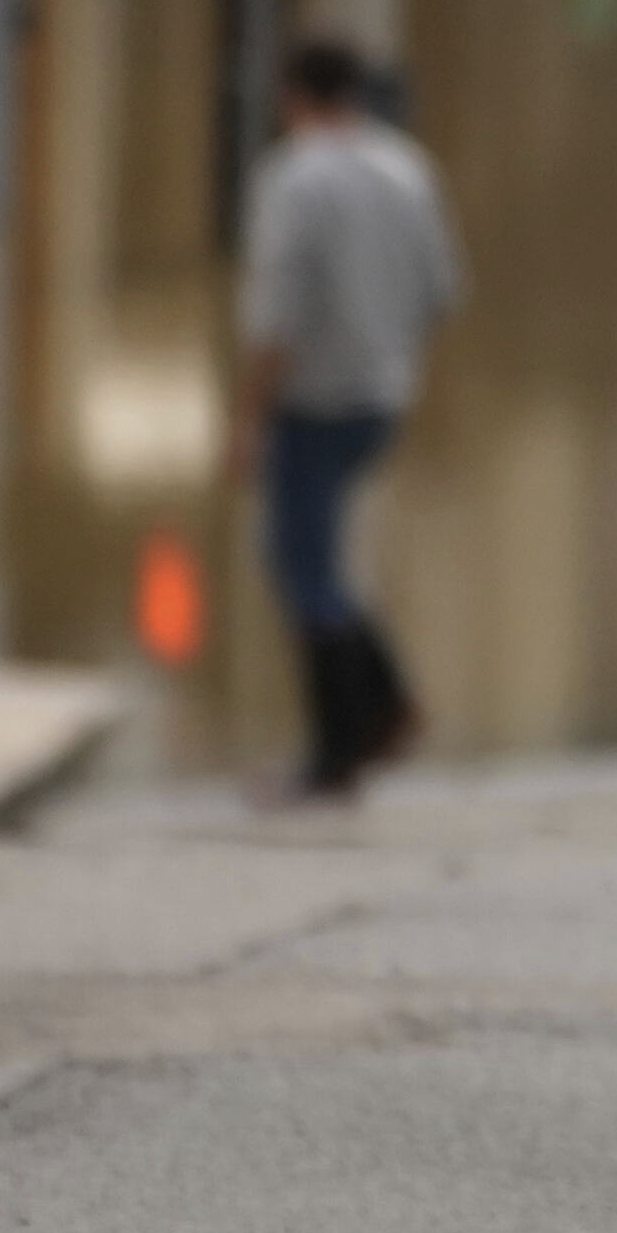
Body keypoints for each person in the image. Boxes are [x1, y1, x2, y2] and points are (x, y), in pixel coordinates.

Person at [234, 41, 462, 801]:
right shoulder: (407, 169)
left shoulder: (296, 178)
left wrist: (248, 415)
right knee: (326, 559)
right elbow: (440, 288)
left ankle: (337, 750)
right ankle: (387, 704)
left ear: (294, 95)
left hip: (311, 401)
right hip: (382, 395)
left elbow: (277, 317)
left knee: (302, 569)